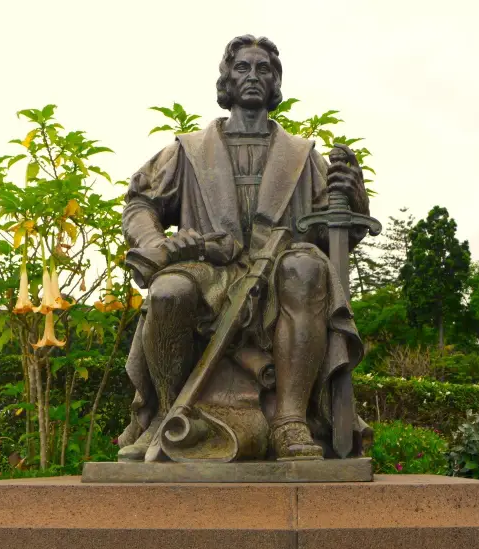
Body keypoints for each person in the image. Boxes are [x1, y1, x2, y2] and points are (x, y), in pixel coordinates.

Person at [116, 34, 372, 462]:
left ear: (275, 85)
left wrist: (353, 198)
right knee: (167, 292)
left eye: (264, 70)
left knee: (306, 269)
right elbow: (140, 203)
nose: (253, 76)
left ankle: (290, 421)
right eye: (242, 68)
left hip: (281, 268)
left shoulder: (303, 154)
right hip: (209, 270)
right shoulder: (189, 150)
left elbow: (335, 232)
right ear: (226, 82)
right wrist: (161, 243)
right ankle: (165, 412)